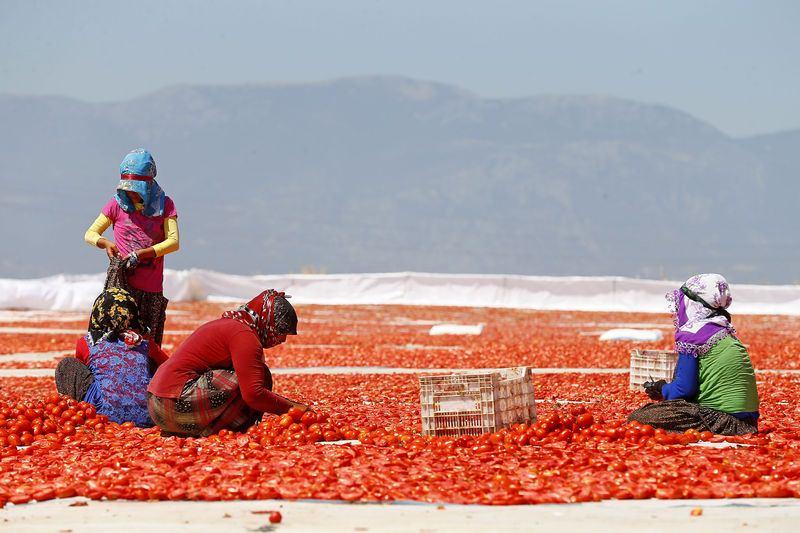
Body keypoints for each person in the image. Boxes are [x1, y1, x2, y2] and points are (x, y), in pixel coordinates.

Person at [147, 289, 307, 437]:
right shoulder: (244, 335)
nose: (282, 340)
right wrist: (295, 409)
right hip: (174, 406)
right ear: (267, 321)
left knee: (251, 374)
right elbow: (253, 394)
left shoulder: (232, 325)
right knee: (257, 377)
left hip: (157, 409)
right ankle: (212, 430)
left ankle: (204, 427)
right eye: (280, 332)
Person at [628, 273, 759, 435]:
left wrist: (661, 388)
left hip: (722, 422)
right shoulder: (724, 330)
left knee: (640, 417)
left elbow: (684, 389)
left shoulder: (692, 334)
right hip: (749, 423)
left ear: (692, 302)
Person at [84, 148, 179, 345]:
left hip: (150, 288)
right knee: (113, 340)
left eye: (136, 188)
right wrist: (106, 243)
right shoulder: (116, 204)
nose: (131, 193)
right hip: (120, 287)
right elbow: (90, 234)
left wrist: (142, 254)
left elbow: (173, 242)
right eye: (128, 188)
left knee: (146, 344)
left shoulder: (165, 206)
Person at [55, 288, 169, 427]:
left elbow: (84, 371)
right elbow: (168, 366)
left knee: (67, 365)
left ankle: (80, 415)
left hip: (100, 413)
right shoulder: (144, 343)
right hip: (149, 416)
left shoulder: (87, 342)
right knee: (152, 366)